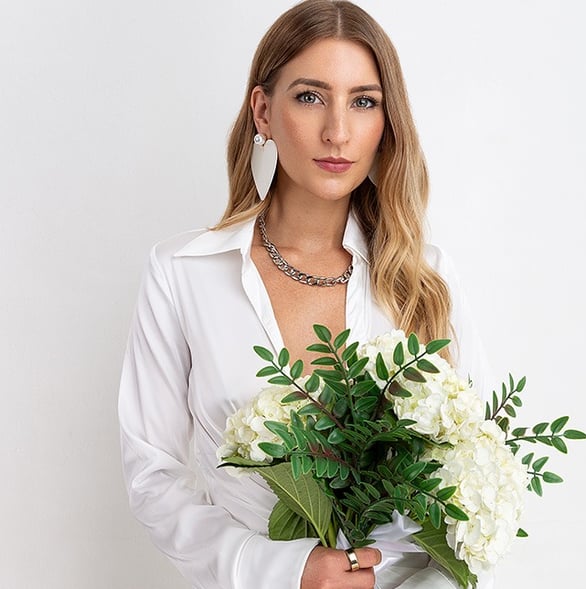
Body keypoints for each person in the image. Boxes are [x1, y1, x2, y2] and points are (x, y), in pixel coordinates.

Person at [118, 1, 492, 588]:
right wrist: (282, 570)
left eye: (363, 102)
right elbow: (154, 478)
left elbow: (480, 481)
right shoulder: (183, 274)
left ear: (386, 121)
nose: (337, 132)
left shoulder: (426, 279)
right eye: (311, 96)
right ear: (263, 111)